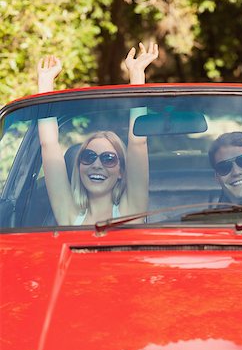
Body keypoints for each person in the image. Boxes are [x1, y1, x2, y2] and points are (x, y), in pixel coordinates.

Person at [37, 42, 159, 225]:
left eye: (108, 158)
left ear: (121, 172)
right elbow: (49, 145)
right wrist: (45, 83)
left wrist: (136, 75)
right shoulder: (70, 217)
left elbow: (138, 142)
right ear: (78, 167)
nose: (96, 164)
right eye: (88, 156)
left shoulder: (130, 211)